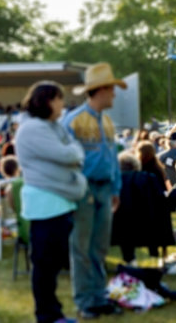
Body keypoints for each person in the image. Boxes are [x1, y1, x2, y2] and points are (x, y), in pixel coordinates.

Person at [16, 81, 87, 323]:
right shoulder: (33, 129)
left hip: (59, 203)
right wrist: (72, 155)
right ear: (46, 100)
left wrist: (72, 155)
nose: (62, 104)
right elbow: (68, 153)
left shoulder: (52, 126)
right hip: (45, 205)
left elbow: (73, 151)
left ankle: (53, 311)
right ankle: (46, 315)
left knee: (52, 264)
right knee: (45, 266)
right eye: (59, 98)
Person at [62, 62, 125, 319]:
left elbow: (112, 159)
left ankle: (98, 297)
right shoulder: (74, 122)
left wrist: (115, 188)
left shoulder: (107, 122)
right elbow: (66, 161)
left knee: (98, 247)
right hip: (83, 190)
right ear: (100, 90)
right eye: (111, 89)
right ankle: (85, 300)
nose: (114, 94)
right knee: (81, 247)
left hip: (104, 189)